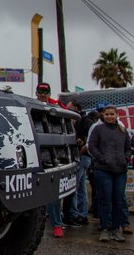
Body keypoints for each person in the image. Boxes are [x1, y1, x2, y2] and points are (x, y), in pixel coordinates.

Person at [88, 105, 132, 242]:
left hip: (120, 171)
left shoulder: (122, 130)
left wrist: (126, 159)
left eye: (112, 114)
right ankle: (105, 228)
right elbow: (91, 146)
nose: (109, 116)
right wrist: (101, 158)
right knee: (105, 200)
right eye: (107, 114)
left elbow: (128, 148)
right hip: (103, 170)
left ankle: (116, 229)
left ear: (116, 115)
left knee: (118, 201)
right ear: (103, 115)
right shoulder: (97, 129)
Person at [37, 82, 64, 237]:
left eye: (46, 92)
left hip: (52, 158)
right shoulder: (31, 107)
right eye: (41, 91)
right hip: (36, 158)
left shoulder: (55, 109)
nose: (43, 94)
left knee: (54, 194)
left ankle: (57, 224)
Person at [63, 99, 93, 226]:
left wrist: (83, 146)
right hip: (82, 157)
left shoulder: (85, 120)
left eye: (70, 109)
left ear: (77, 108)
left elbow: (90, 138)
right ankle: (82, 214)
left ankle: (74, 215)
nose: (68, 113)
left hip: (82, 157)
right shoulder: (79, 121)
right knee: (81, 188)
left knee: (73, 187)